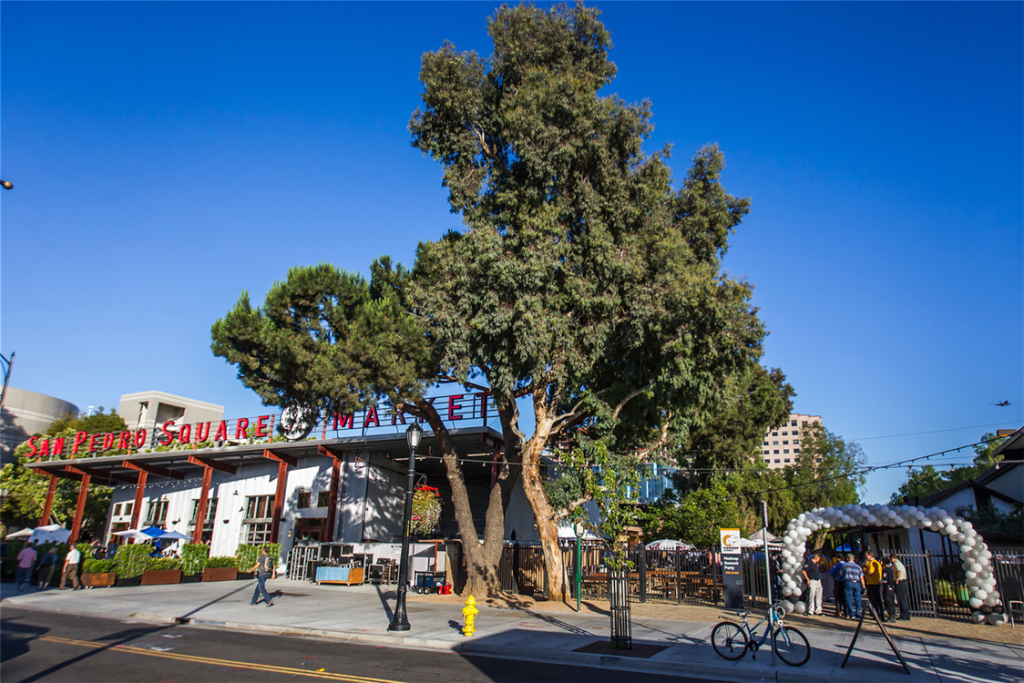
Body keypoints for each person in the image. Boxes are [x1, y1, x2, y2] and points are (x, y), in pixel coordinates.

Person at [842, 553, 865, 620]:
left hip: (848, 582)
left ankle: (851, 614)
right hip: (856, 582)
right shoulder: (858, 567)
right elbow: (861, 577)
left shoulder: (844, 565)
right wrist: (863, 586)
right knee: (858, 599)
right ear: (854, 559)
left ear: (847, 559)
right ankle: (858, 614)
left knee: (848, 599)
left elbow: (841, 573)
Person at [863, 550, 884, 619]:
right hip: (875, 582)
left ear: (870, 555)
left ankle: (876, 614)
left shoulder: (872, 562)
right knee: (877, 599)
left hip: (872, 583)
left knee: (874, 600)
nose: (865, 557)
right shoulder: (876, 562)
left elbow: (870, 572)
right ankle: (880, 614)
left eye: (866, 555)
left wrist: (864, 571)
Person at [891, 555, 912, 621]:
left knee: (901, 599)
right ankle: (903, 615)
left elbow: (898, 571)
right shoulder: (899, 563)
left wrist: (897, 579)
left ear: (893, 558)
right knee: (902, 599)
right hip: (902, 582)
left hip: (900, 582)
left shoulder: (896, 563)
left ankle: (904, 615)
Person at [881, 556, 898, 622]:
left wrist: (880, 581)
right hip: (892, 587)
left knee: (888, 602)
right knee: (892, 602)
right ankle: (893, 616)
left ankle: (891, 616)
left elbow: (885, 580)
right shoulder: (891, 569)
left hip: (887, 587)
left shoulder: (885, 570)